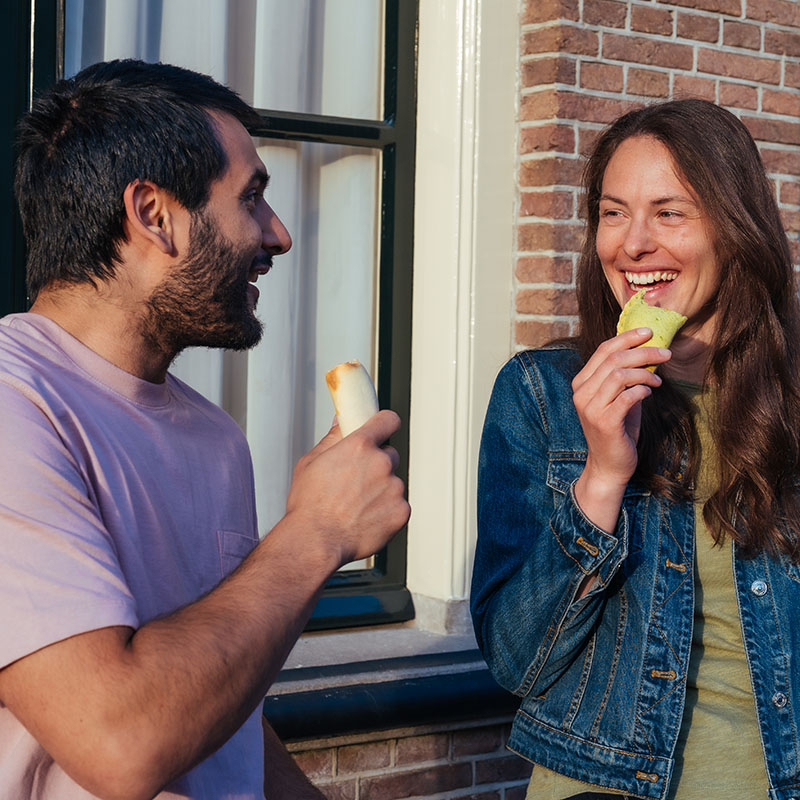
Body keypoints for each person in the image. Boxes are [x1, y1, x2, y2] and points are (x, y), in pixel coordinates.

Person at [0, 59, 410, 800]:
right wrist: (316, 532)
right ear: (154, 213)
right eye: (251, 196)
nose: (278, 235)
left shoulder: (216, 439)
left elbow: (217, 703)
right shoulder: (15, 403)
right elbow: (119, 740)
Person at [470, 98, 800, 800]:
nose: (632, 244)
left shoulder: (791, 408)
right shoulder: (542, 396)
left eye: (670, 213)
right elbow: (515, 661)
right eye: (614, 213)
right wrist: (601, 477)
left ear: (735, 230)